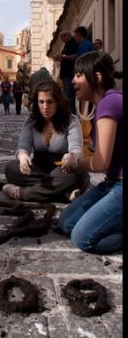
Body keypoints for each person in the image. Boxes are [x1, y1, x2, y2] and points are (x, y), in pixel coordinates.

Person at [58, 51, 122, 254]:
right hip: (112, 183)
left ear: (97, 77)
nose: (73, 81)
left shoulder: (109, 103)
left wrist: (76, 161)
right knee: (66, 222)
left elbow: (100, 163)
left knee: (82, 238)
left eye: (78, 75)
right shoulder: (102, 104)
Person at [3, 80, 89, 202]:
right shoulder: (31, 122)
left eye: (50, 102)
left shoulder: (71, 121)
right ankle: (63, 192)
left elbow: (76, 150)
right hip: (38, 170)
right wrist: (23, 158)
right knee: (11, 169)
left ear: (58, 102)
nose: (45, 107)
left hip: (63, 170)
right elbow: (23, 146)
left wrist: (71, 156)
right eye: (41, 102)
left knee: (79, 173)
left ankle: (22, 193)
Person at [54, 30, 79, 114]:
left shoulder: (73, 43)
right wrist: (59, 57)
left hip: (70, 74)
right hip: (65, 74)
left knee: (69, 96)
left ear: (69, 35)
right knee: (67, 96)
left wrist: (63, 56)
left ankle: (72, 115)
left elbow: (75, 56)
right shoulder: (66, 45)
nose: (62, 38)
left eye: (64, 35)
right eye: (61, 36)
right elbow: (64, 57)